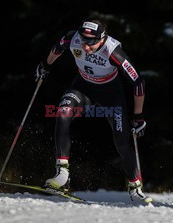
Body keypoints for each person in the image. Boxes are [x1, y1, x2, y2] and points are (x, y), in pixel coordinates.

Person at [35, 18, 151, 202]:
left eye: (91, 42)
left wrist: (138, 116)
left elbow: (138, 83)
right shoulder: (72, 38)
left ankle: (135, 187)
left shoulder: (113, 52)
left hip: (111, 95)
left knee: (122, 142)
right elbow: (57, 48)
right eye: (83, 41)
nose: (86, 47)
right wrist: (45, 66)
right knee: (62, 112)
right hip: (83, 88)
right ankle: (62, 174)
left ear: (102, 38)